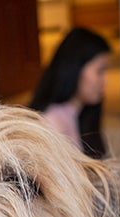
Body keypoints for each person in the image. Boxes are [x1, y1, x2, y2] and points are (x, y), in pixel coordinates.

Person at [29, 27, 112, 159]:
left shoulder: (83, 113)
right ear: (75, 68)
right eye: (100, 71)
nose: (105, 80)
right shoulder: (52, 122)